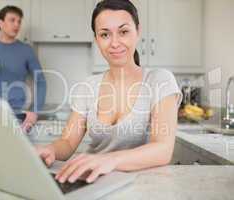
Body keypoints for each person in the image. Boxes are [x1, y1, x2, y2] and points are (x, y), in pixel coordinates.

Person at [36, 0, 182, 184]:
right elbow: (67, 142)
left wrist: (110, 160)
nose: (114, 43)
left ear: (138, 32)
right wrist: (51, 149)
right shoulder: (88, 86)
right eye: (105, 34)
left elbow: (162, 149)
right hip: (92, 183)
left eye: (123, 32)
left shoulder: (159, 80)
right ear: (97, 39)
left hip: (141, 185)